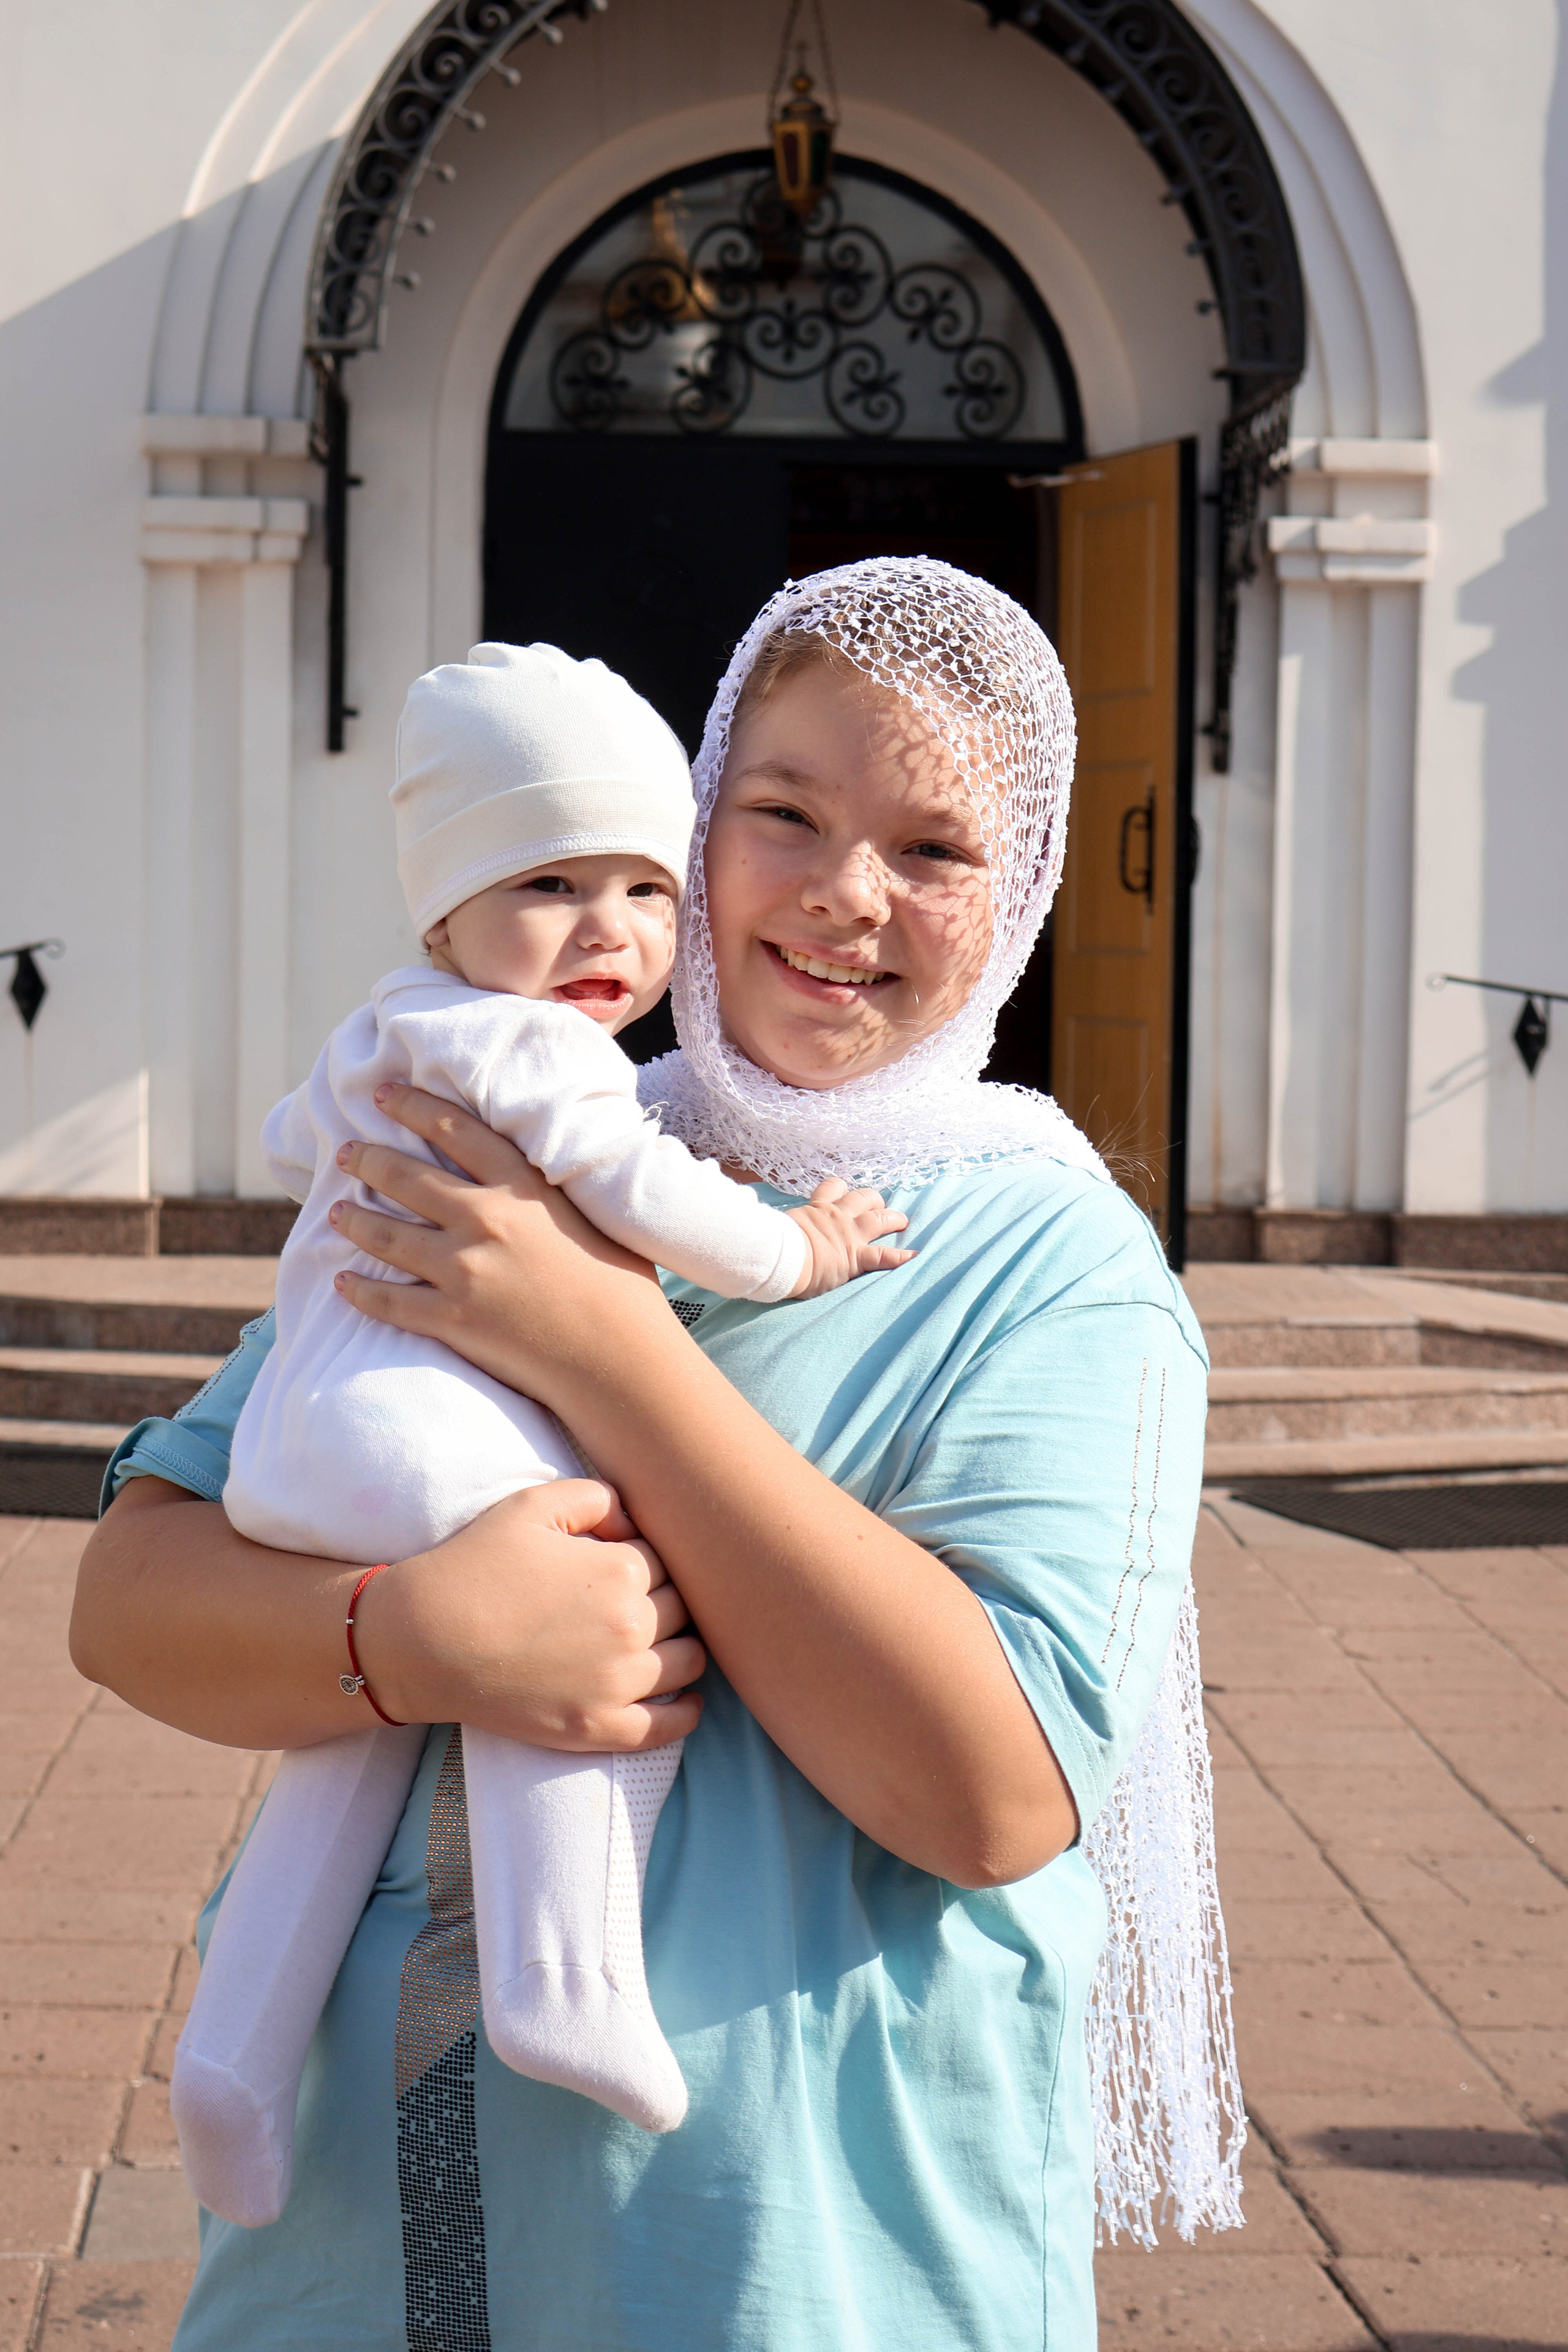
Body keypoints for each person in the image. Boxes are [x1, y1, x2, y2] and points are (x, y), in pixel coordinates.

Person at [72, 558, 1241, 2352]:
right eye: (783, 814)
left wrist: (604, 1347)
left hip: (787, 2257)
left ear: (1023, 902)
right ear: (691, 834)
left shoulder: (1058, 1275)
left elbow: (988, 1792)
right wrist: (408, 1638)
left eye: (935, 850)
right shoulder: (493, 1146)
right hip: (352, 2248)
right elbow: (134, 1593)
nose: (848, 894)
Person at [175, 641, 912, 2234]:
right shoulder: (542, 1049)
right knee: (589, 1613)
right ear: (444, 909)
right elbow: (651, 1198)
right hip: (439, 1449)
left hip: (314, 1446)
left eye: (648, 888)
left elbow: (299, 1139)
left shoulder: (396, 1021)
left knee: (345, 1749)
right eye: (550, 881)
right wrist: (807, 1251)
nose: (612, 931)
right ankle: (565, 1976)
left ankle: (232, 2054)